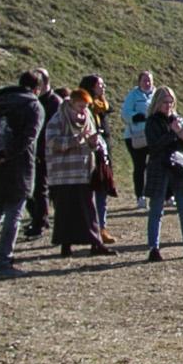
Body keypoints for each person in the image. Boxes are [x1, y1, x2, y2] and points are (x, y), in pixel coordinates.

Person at [0, 70, 44, 276]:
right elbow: (28, 138)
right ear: (36, 89)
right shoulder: (33, 106)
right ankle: (4, 262)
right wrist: (6, 154)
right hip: (18, 168)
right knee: (14, 215)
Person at [142, 86, 183, 261]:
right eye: (165, 102)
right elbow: (154, 146)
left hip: (177, 169)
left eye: (171, 102)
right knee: (156, 209)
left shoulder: (176, 119)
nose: (168, 105)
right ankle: (153, 248)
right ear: (157, 103)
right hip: (159, 168)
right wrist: (173, 133)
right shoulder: (152, 122)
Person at [44, 88, 110, 256]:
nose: (83, 110)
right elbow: (52, 142)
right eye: (80, 106)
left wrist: (94, 143)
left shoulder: (87, 117)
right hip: (63, 173)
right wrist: (78, 139)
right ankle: (65, 245)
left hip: (84, 171)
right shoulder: (58, 119)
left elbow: (92, 139)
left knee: (89, 208)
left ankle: (96, 243)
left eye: (85, 106)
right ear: (72, 103)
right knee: (66, 210)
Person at [83, 73, 117, 243]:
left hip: (103, 154)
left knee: (102, 191)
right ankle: (91, 229)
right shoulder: (87, 107)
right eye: (100, 85)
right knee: (90, 195)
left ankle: (101, 228)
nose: (103, 87)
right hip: (89, 155)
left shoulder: (102, 106)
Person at [22, 67, 56, 239]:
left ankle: (39, 223)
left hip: (45, 151)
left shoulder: (53, 102)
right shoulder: (33, 102)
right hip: (33, 151)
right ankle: (39, 218)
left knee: (40, 189)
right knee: (31, 189)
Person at [122, 69, 155, 202]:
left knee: (156, 165)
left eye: (149, 81)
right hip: (135, 136)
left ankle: (160, 194)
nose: (147, 83)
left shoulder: (156, 94)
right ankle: (140, 195)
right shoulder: (133, 95)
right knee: (139, 166)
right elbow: (125, 113)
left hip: (153, 135)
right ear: (139, 82)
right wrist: (136, 117)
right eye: (144, 80)